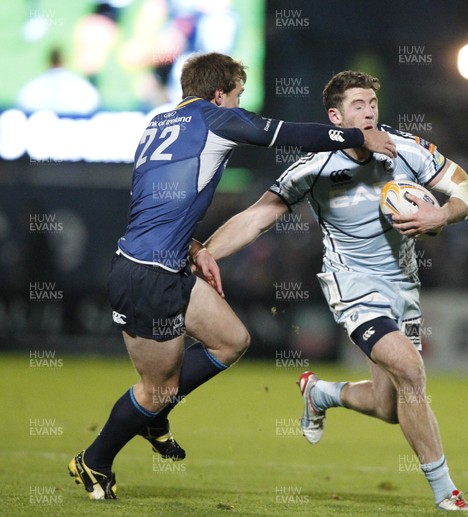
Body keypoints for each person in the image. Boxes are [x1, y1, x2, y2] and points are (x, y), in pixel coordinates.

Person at [68, 54, 396, 500]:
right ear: (219, 95)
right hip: (146, 273)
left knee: (231, 340)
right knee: (155, 389)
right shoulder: (214, 118)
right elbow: (289, 134)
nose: (241, 105)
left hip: (166, 262)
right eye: (238, 95)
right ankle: (95, 460)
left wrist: (195, 247)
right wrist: (361, 136)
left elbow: (156, 201)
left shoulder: (160, 123)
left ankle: (155, 415)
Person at [198, 71, 468, 512]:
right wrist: (206, 254)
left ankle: (321, 393)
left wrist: (442, 215)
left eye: (372, 102)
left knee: (390, 406)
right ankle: (448, 493)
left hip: (403, 288)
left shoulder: (406, 148)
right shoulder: (315, 165)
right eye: (357, 105)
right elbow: (257, 217)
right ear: (335, 116)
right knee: (410, 369)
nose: (369, 111)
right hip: (352, 287)